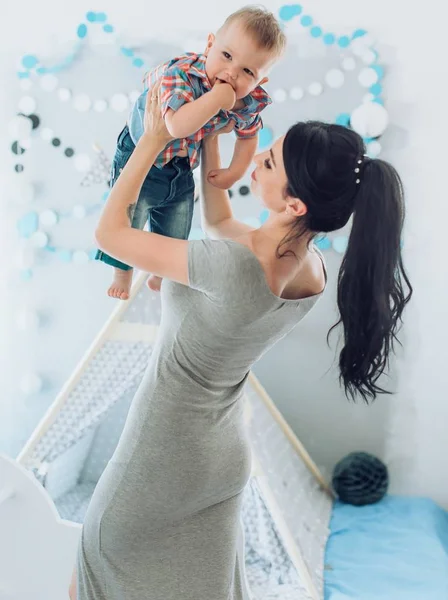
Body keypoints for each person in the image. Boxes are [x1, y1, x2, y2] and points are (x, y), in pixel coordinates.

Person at [70, 79, 412, 599]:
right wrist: (211, 136)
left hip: (159, 454)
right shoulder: (311, 273)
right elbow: (219, 219)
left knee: (93, 577)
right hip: (221, 460)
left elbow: (109, 235)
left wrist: (152, 142)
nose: (254, 164)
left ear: (296, 205)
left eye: (268, 163)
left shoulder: (228, 266)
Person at [95, 5, 286, 299]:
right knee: (131, 216)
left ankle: (161, 275)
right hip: (140, 153)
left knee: (178, 220)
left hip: (182, 163)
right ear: (210, 44)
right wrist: (216, 98)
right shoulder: (181, 74)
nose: (231, 73)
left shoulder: (249, 101)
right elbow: (176, 127)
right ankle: (122, 273)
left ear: (260, 81)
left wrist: (233, 172)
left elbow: (248, 136)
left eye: (247, 71)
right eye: (226, 56)